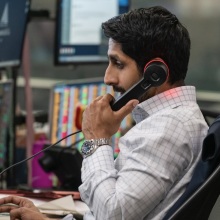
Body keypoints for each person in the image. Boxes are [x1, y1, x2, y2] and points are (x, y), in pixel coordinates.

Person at [0, 6, 208, 220]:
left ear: (155, 74)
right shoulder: (168, 121)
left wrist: (97, 138)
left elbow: (111, 214)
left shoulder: (166, 129)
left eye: (118, 63)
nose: (108, 77)